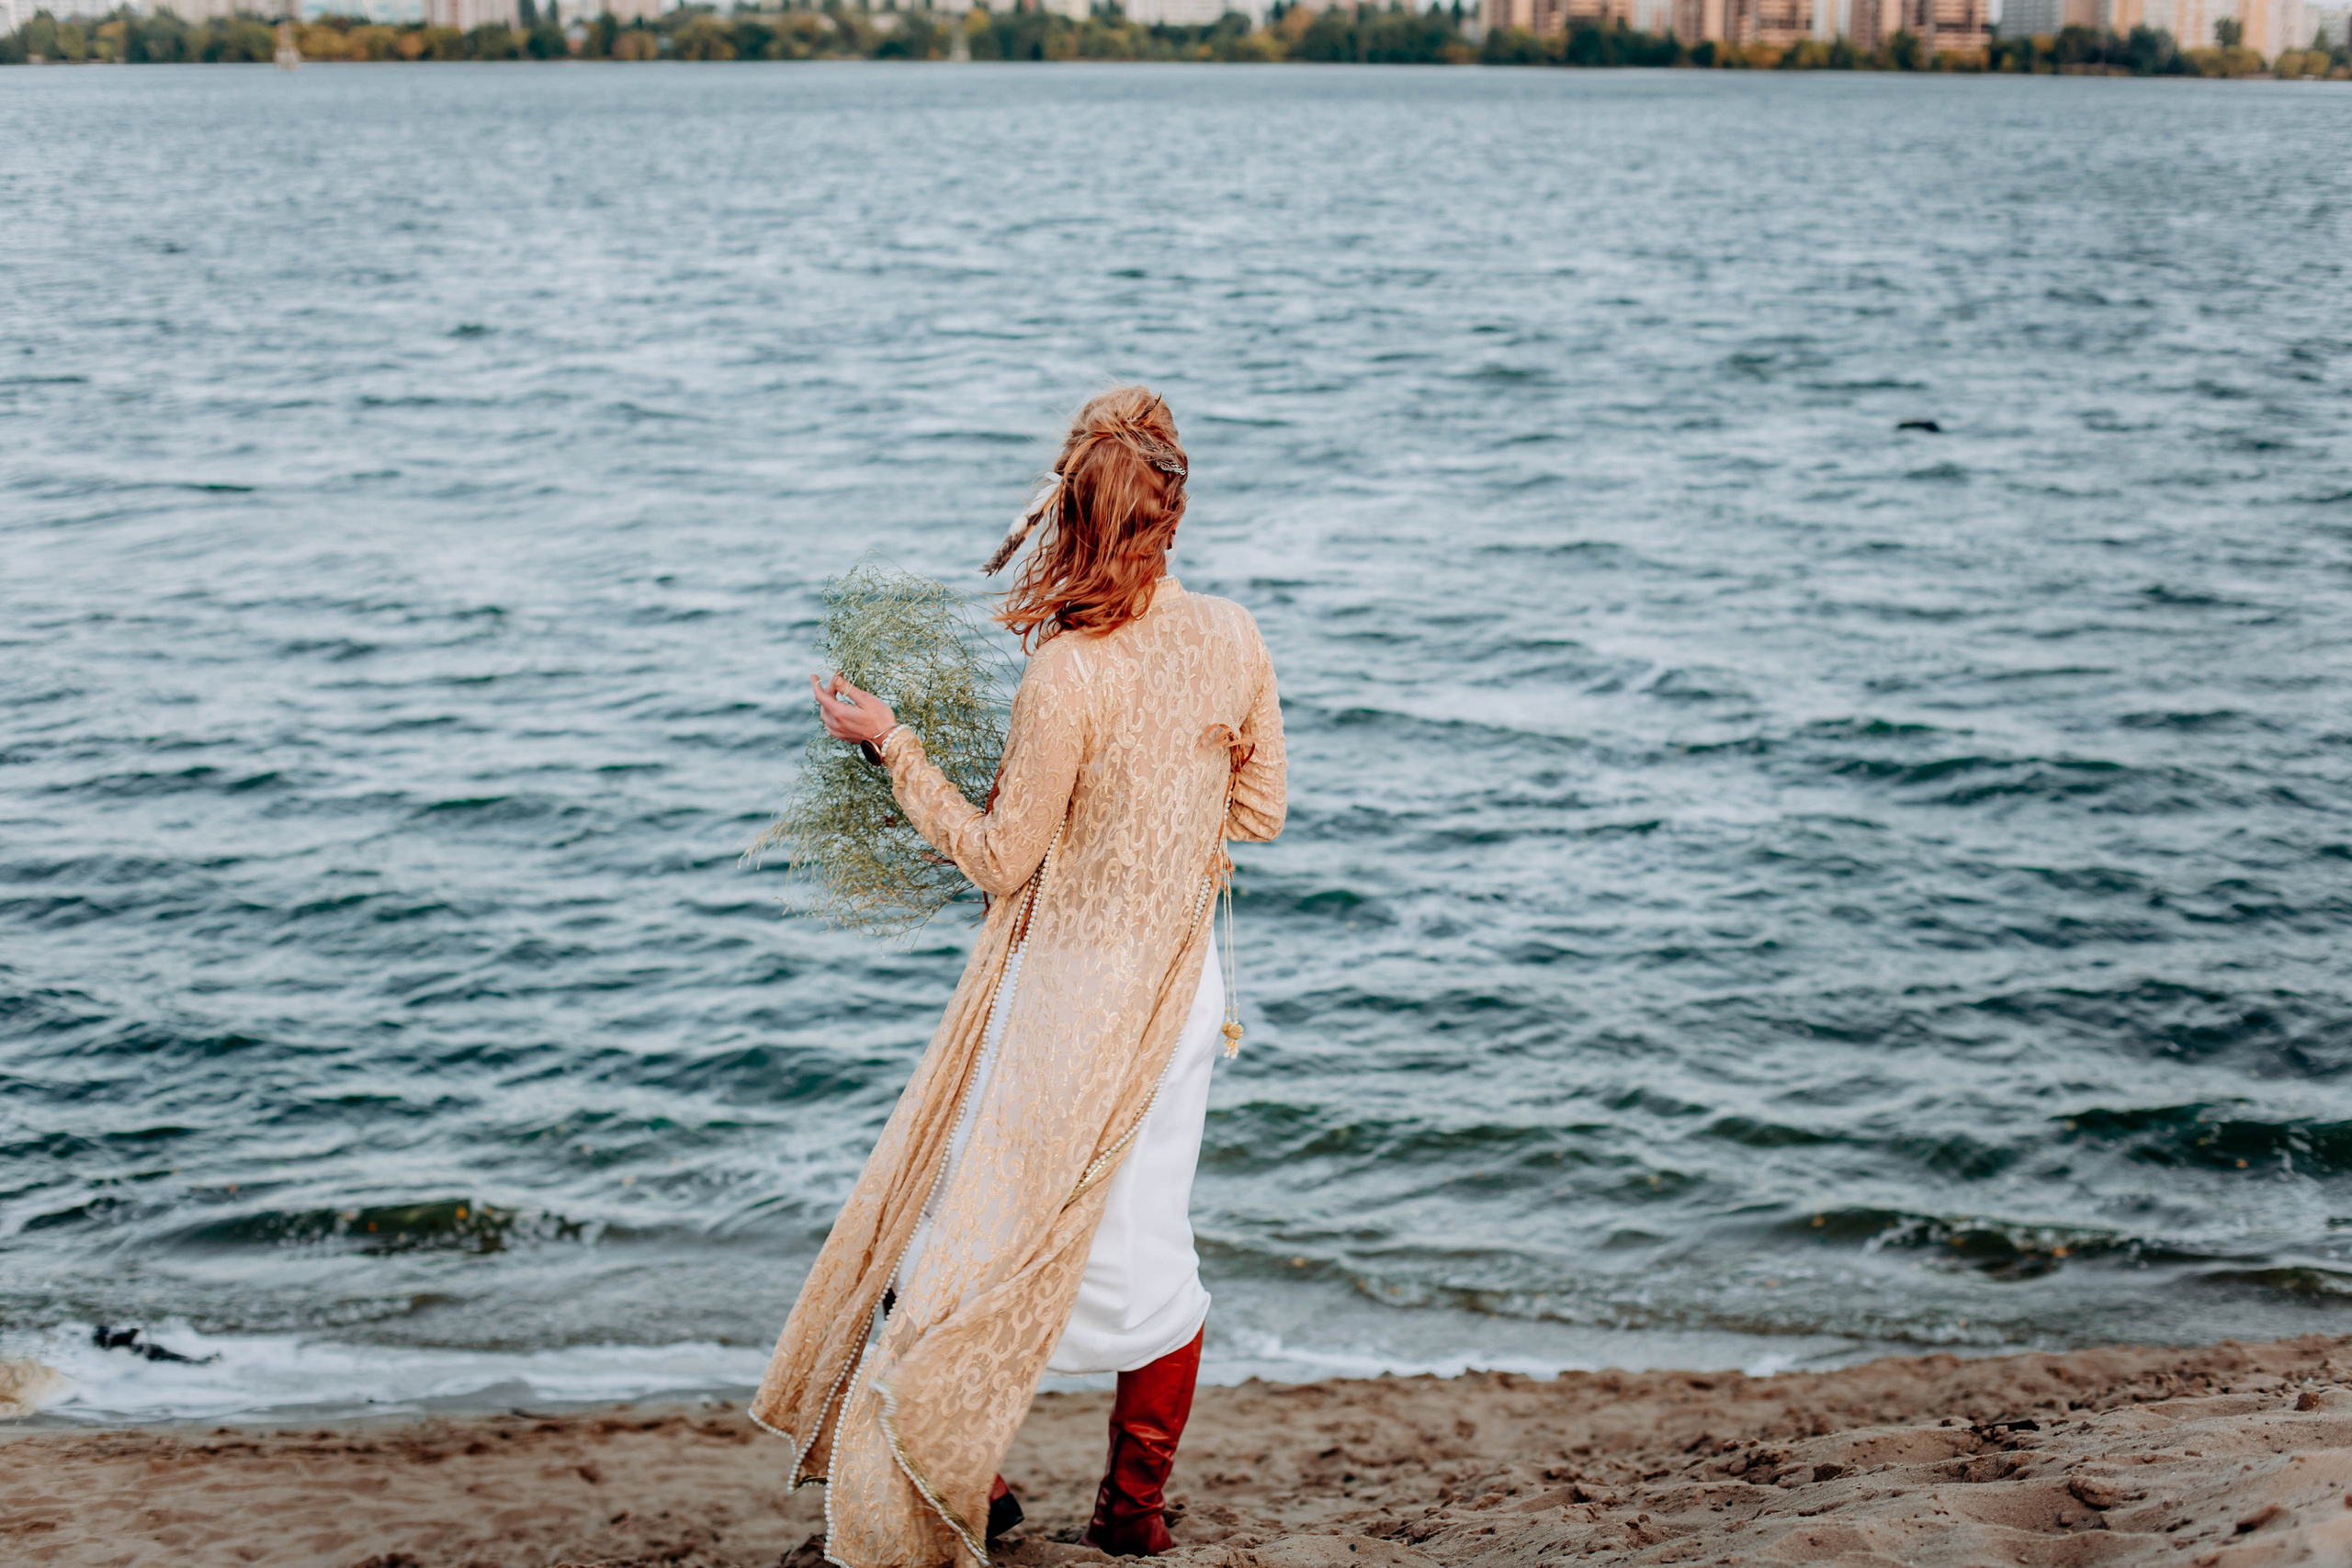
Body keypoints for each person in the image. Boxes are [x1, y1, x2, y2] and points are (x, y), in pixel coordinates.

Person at [751, 387, 1286, 1568]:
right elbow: (1260, 813)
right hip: (1182, 998)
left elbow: (1003, 863)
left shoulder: (1068, 676)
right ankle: (1132, 1512)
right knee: (1152, 1235)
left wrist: (890, 743)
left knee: (961, 1234)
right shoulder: (1237, 635)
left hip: (1071, 1002)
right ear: (1173, 514)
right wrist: (1161, 823)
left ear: (1073, 524)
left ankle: (970, 1483)